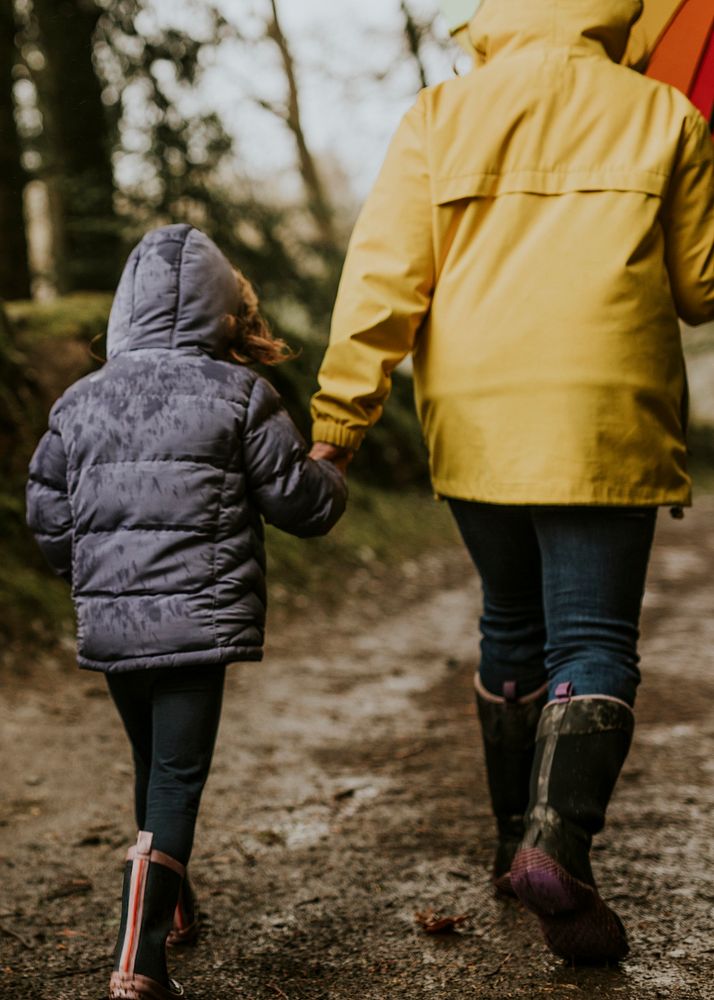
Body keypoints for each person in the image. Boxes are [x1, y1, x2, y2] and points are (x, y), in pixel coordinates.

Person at [309, 0, 714, 965]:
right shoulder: (666, 115)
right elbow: (702, 289)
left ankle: (509, 844)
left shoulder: (439, 115)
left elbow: (382, 283)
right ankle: (556, 841)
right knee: (595, 639)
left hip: (480, 417)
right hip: (605, 412)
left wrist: (339, 426)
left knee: (511, 625)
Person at [26, 223, 347, 1000]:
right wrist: (329, 470)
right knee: (176, 775)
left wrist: (98, 574)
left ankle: (171, 913)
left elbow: (47, 518)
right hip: (197, 623)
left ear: (123, 311)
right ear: (223, 312)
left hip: (114, 621)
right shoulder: (239, 393)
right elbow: (299, 505)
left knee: (151, 763)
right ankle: (139, 959)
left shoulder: (79, 402)